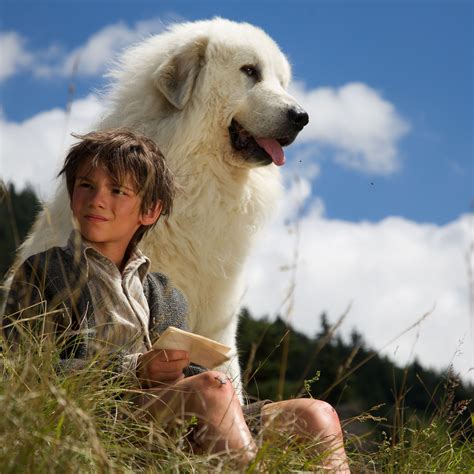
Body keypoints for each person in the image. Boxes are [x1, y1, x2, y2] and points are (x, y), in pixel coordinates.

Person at [2, 128, 350, 471]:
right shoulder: (44, 272)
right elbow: (22, 373)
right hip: (103, 421)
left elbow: (196, 376)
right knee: (213, 388)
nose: (97, 200)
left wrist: (175, 371)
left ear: (150, 211)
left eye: (118, 190)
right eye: (86, 185)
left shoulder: (164, 292)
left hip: (176, 416)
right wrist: (133, 369)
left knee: (316, 414)